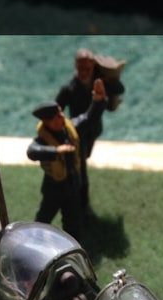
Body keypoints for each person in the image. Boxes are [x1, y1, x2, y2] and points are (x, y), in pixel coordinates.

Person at [26, 79, 106, 242]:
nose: (61, 118)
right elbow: (32, 152)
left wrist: (97, 101)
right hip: (54, 189)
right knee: (43, 220)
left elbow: (89, 118)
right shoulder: (43, 140)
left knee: (73, 224)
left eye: (61, 113)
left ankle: (73, 248)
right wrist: (56, 151)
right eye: (56, 117)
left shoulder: (70, 129)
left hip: (72, 186)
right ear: (47, 122)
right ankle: (32, 243)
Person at [55, 48, 126, 213]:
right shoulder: (69, 88)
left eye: (87, 68)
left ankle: (82, 206)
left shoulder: (99, 82)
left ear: (93, 66)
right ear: (76, 66)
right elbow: (57, 109)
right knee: (81, 170)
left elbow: (119, 89)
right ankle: (83, 206)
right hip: (77, 133)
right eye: (81, 68)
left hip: (93, 130)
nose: (84, 72)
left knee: (84, 158)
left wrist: (109, 78)